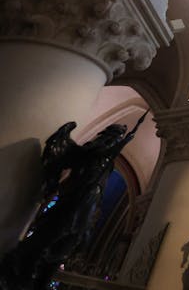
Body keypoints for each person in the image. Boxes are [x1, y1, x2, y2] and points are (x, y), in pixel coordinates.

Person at [0, 116, 143, 290]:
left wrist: (95, 210)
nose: (116, 140)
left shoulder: (108, 160)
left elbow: (102, 180)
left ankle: (43, 279)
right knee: (52, 235)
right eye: (115, 137)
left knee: (69, 243)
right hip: (76, 197)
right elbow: (96, 153)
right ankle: (23, 271)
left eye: (118, 138)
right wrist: (121, 143)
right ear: (107, 135)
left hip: (89, 202)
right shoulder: (94, 148)